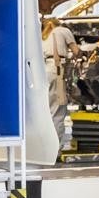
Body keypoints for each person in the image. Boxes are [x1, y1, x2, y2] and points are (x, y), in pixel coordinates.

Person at [43, 17, 79, 149]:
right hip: (57, 71)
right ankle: (55, 149)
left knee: (48, 111)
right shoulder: (63, 30)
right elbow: (76, 51)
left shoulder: (43, 36)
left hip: (44, 72)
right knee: (58, 111)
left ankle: (46, 147)